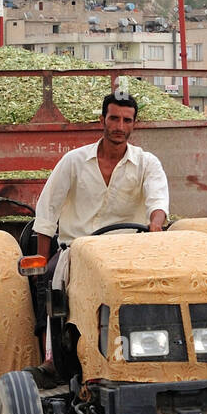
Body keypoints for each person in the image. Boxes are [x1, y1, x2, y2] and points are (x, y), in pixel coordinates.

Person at [33, 92, 170, 281]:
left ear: (134, 124)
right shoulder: (73, 161)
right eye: (114, 119)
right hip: (75, 252)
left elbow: (158, 201)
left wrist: (155, 224)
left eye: (126, 120)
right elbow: (47, 211)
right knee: (48, 286)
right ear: (102, 120)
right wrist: (41, 264)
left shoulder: (147, 163)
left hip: (127, 254)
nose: (120, 127)